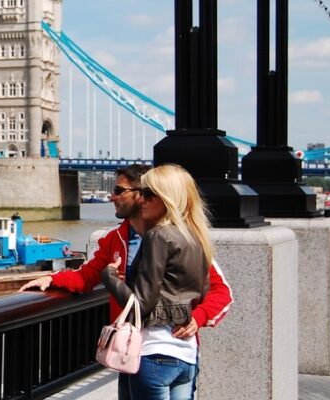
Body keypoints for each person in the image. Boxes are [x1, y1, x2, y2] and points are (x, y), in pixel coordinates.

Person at [19, 164, 232, 399]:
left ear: (142, 194)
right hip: (133, 352)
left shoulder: (176, 239)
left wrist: (199, 317)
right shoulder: (115, 239)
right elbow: (85, 276)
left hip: (162, 353)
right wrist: (52, 278)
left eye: (120, 191)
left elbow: (222, 291)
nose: (112, 197)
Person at [100, 164, 212, 399]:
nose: (142, 199)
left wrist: (109, 277)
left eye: (149, 194)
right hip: (187, 355)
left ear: (167, 199)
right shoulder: (197, 236)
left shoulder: (158, 236)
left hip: (155, 353)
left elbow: (140, 305)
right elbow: (202, 293)